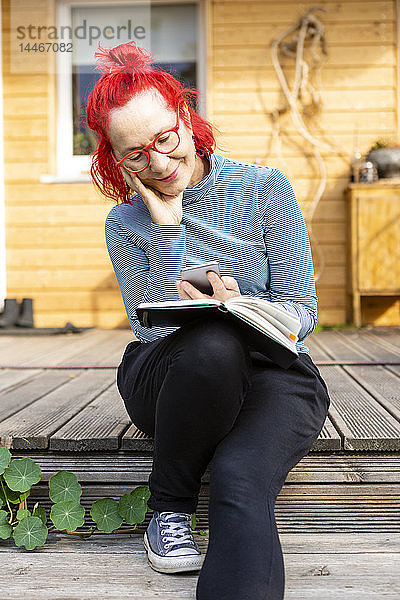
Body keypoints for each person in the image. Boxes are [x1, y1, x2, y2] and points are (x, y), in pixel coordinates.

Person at [86, 40, 331, 600]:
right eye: (134, 154)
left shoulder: (263, 190)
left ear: (187, 121)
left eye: (164, 138)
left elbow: (302, 310)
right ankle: (168, 506)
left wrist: (242, 304)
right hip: (175, 381)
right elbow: (153, 331)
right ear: (116, 160)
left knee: (239, 479)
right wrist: (169, 233)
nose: (158, 162)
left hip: (273, 374)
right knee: (213, 342)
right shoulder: (125, 222)